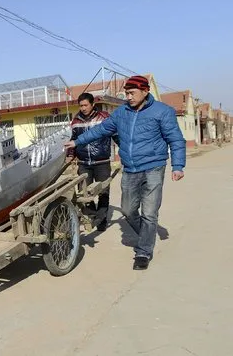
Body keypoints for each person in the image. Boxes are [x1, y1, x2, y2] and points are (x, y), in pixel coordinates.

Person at [64, 75, 186, 270]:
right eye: (126, 93)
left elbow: (176, 139)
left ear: (145, 91)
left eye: (131, 93)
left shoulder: (163, 112)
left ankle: (143, 251)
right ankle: (147, 234)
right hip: (130, 169)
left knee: (149, 211)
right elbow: (101, 130)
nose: (128, 97)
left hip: (154, 166)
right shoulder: (121, 113)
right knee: (128, 210)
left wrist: (178, 166)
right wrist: (77, 141)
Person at [66, 92, 120, 232]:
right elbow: (73, 139)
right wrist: (70, 154)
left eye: (85, 105)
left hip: (101, 161)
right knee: (85, 194)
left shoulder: (104, 118)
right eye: (81, 105)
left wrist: (125, 151)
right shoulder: (76, 121)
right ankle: (92, 217)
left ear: (92, 104)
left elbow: (115, 135)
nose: (83, 108)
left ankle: (101, 220)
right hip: (83, 163)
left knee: (103, 192)